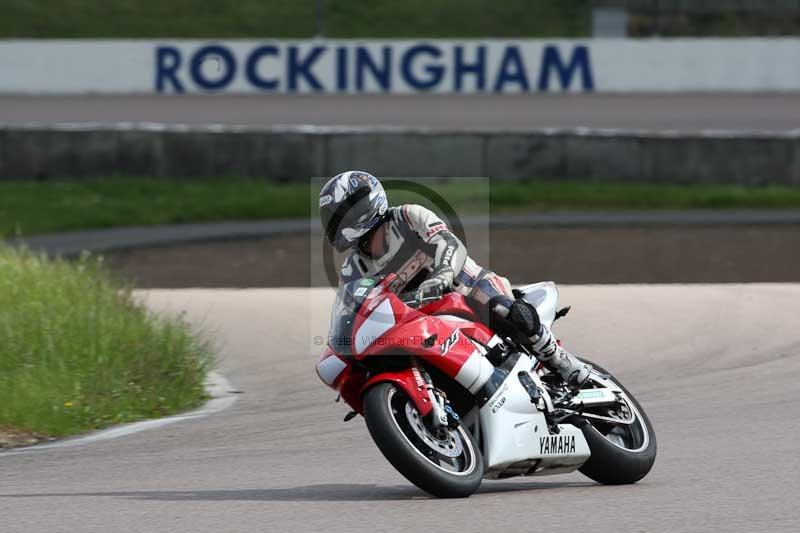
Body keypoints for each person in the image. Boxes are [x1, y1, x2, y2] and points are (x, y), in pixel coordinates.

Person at [319, 170, 591, 388]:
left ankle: (561, 361)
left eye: (344, 214)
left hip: (466, 287)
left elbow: (448, 244)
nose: (339, 223)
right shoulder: (352, 270)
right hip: (419, 319)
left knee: (503, 309)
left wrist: (441, 277)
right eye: (333, 218)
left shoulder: (408, 216)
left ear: (367, 204)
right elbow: (351, 311)